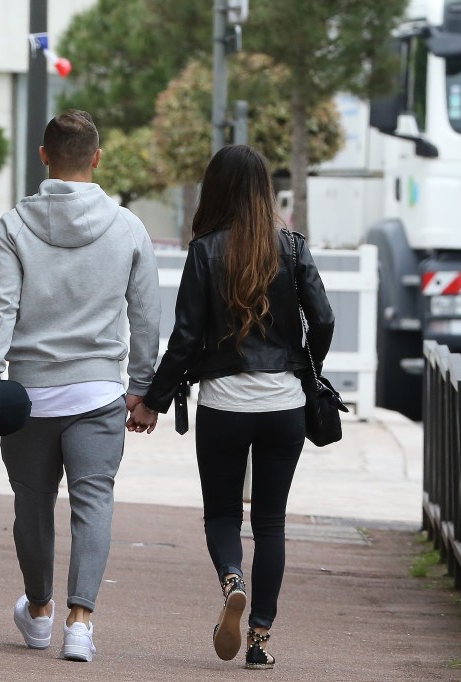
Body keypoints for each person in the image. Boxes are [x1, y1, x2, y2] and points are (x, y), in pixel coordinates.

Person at [129, 145, 334, 669]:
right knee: (270, 522)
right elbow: (325, 317)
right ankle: (260, 640)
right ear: (265, 190)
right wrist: (306, 366)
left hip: (222, 404)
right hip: (284, 404)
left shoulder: (205, 250)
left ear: (214, 189)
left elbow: (185, 338)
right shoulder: (290, 248)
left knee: (221, 513)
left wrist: (152, 401)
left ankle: (231, 580)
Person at [0, 109, 161, 662]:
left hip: (30, 396)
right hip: (99, 394)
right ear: (97, 159)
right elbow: (146, 315)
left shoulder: (13, 225)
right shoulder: (128, 227)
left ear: (43, 155)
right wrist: (143, 386)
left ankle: (38, 612)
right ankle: (80, 624)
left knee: (31, 505)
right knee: (93, 502)